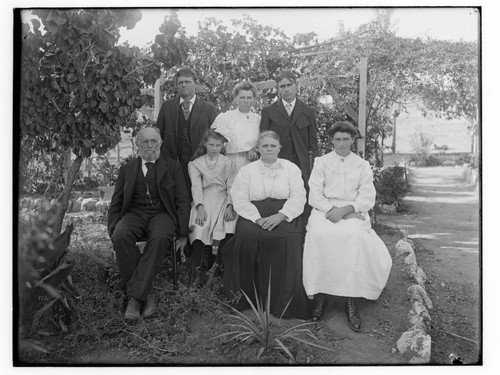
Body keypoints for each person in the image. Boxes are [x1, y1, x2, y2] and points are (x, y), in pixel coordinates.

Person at [302, 121, 392, 331]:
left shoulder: (362, 165)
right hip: (325, 210)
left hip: (354, 211)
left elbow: (367, 196)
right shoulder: (321, 162)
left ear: (353, 140)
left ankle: (351, 299)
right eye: (337, 139)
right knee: (319, 235)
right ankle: (321, 294)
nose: (341, 144)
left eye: (346, 139)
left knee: (354, 237)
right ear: (331, 140)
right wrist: (332, 210)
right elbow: (314, 195)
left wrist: (347, 210)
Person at [221, 131, 313, 319]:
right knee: (246, 238)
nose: (269, 149)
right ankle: (246, 301)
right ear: (258, 149)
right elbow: (239, 197)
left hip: (285, 213)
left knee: (289, 239)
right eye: (265, 146)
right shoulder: (247, 170)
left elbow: (299, 196)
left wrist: (281, 216)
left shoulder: (291, 168)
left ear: (279, 148)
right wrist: (256, 218)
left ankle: (284, 305)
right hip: (253, 214)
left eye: (273, 146)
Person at [108, 127, 190, 320]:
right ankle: (147, 293)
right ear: (138, 145)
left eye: (154, 141)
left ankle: (135, 299)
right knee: (121, 236)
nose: (150, 145)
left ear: (160, 143)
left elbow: (182, 200)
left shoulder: (173, 167)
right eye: (145, 142)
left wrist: (183, 232)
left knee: (161, 236)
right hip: (134, 213)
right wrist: (112, 229)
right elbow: (116, 202)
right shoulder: (127, 169)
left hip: (161, 214)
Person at [156, 67, 218, 195]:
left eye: (187, 81)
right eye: (180, 82)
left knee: (199, 200)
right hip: (173, 165)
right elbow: (158, 136)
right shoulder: (167, 107)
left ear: (195, 83)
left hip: (201, 165)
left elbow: (216, 138)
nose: (183, 85)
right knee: (177, 201)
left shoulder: (208, 109)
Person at [188, 129, 237, 273]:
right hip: (204, 199)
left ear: (223, 145)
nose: (215, 149)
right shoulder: (195, 164)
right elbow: (196, 187)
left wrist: (230, 205)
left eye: (218, 145)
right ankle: (197, 269)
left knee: (229, 225)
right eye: (211, 145)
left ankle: (216, 268)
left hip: (223, 199)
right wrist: (200, 207)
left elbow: (231, 186)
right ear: (205, 144)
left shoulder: (228, 163)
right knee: (199, 226)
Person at [259, 71, 318, 186]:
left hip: (301, 163)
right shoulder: (269, 112)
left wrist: (313, 166)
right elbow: (264, 140)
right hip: (277, 162)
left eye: (289, 85)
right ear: (278, 89)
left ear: (296, 86)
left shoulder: (307, 111)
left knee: (302, 197)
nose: (286, 89)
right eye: (282, 86)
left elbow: (313, 143)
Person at [211, 81, 260, 172]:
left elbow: (263, 141)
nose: (245, 101)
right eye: (242, 97)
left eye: (249, 98)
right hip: (230, 161)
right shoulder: (225, 117)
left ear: (254, 99)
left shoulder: (258, 120)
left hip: (252, 162)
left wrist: (255, 149)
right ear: (236, 99)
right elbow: (212, 139)